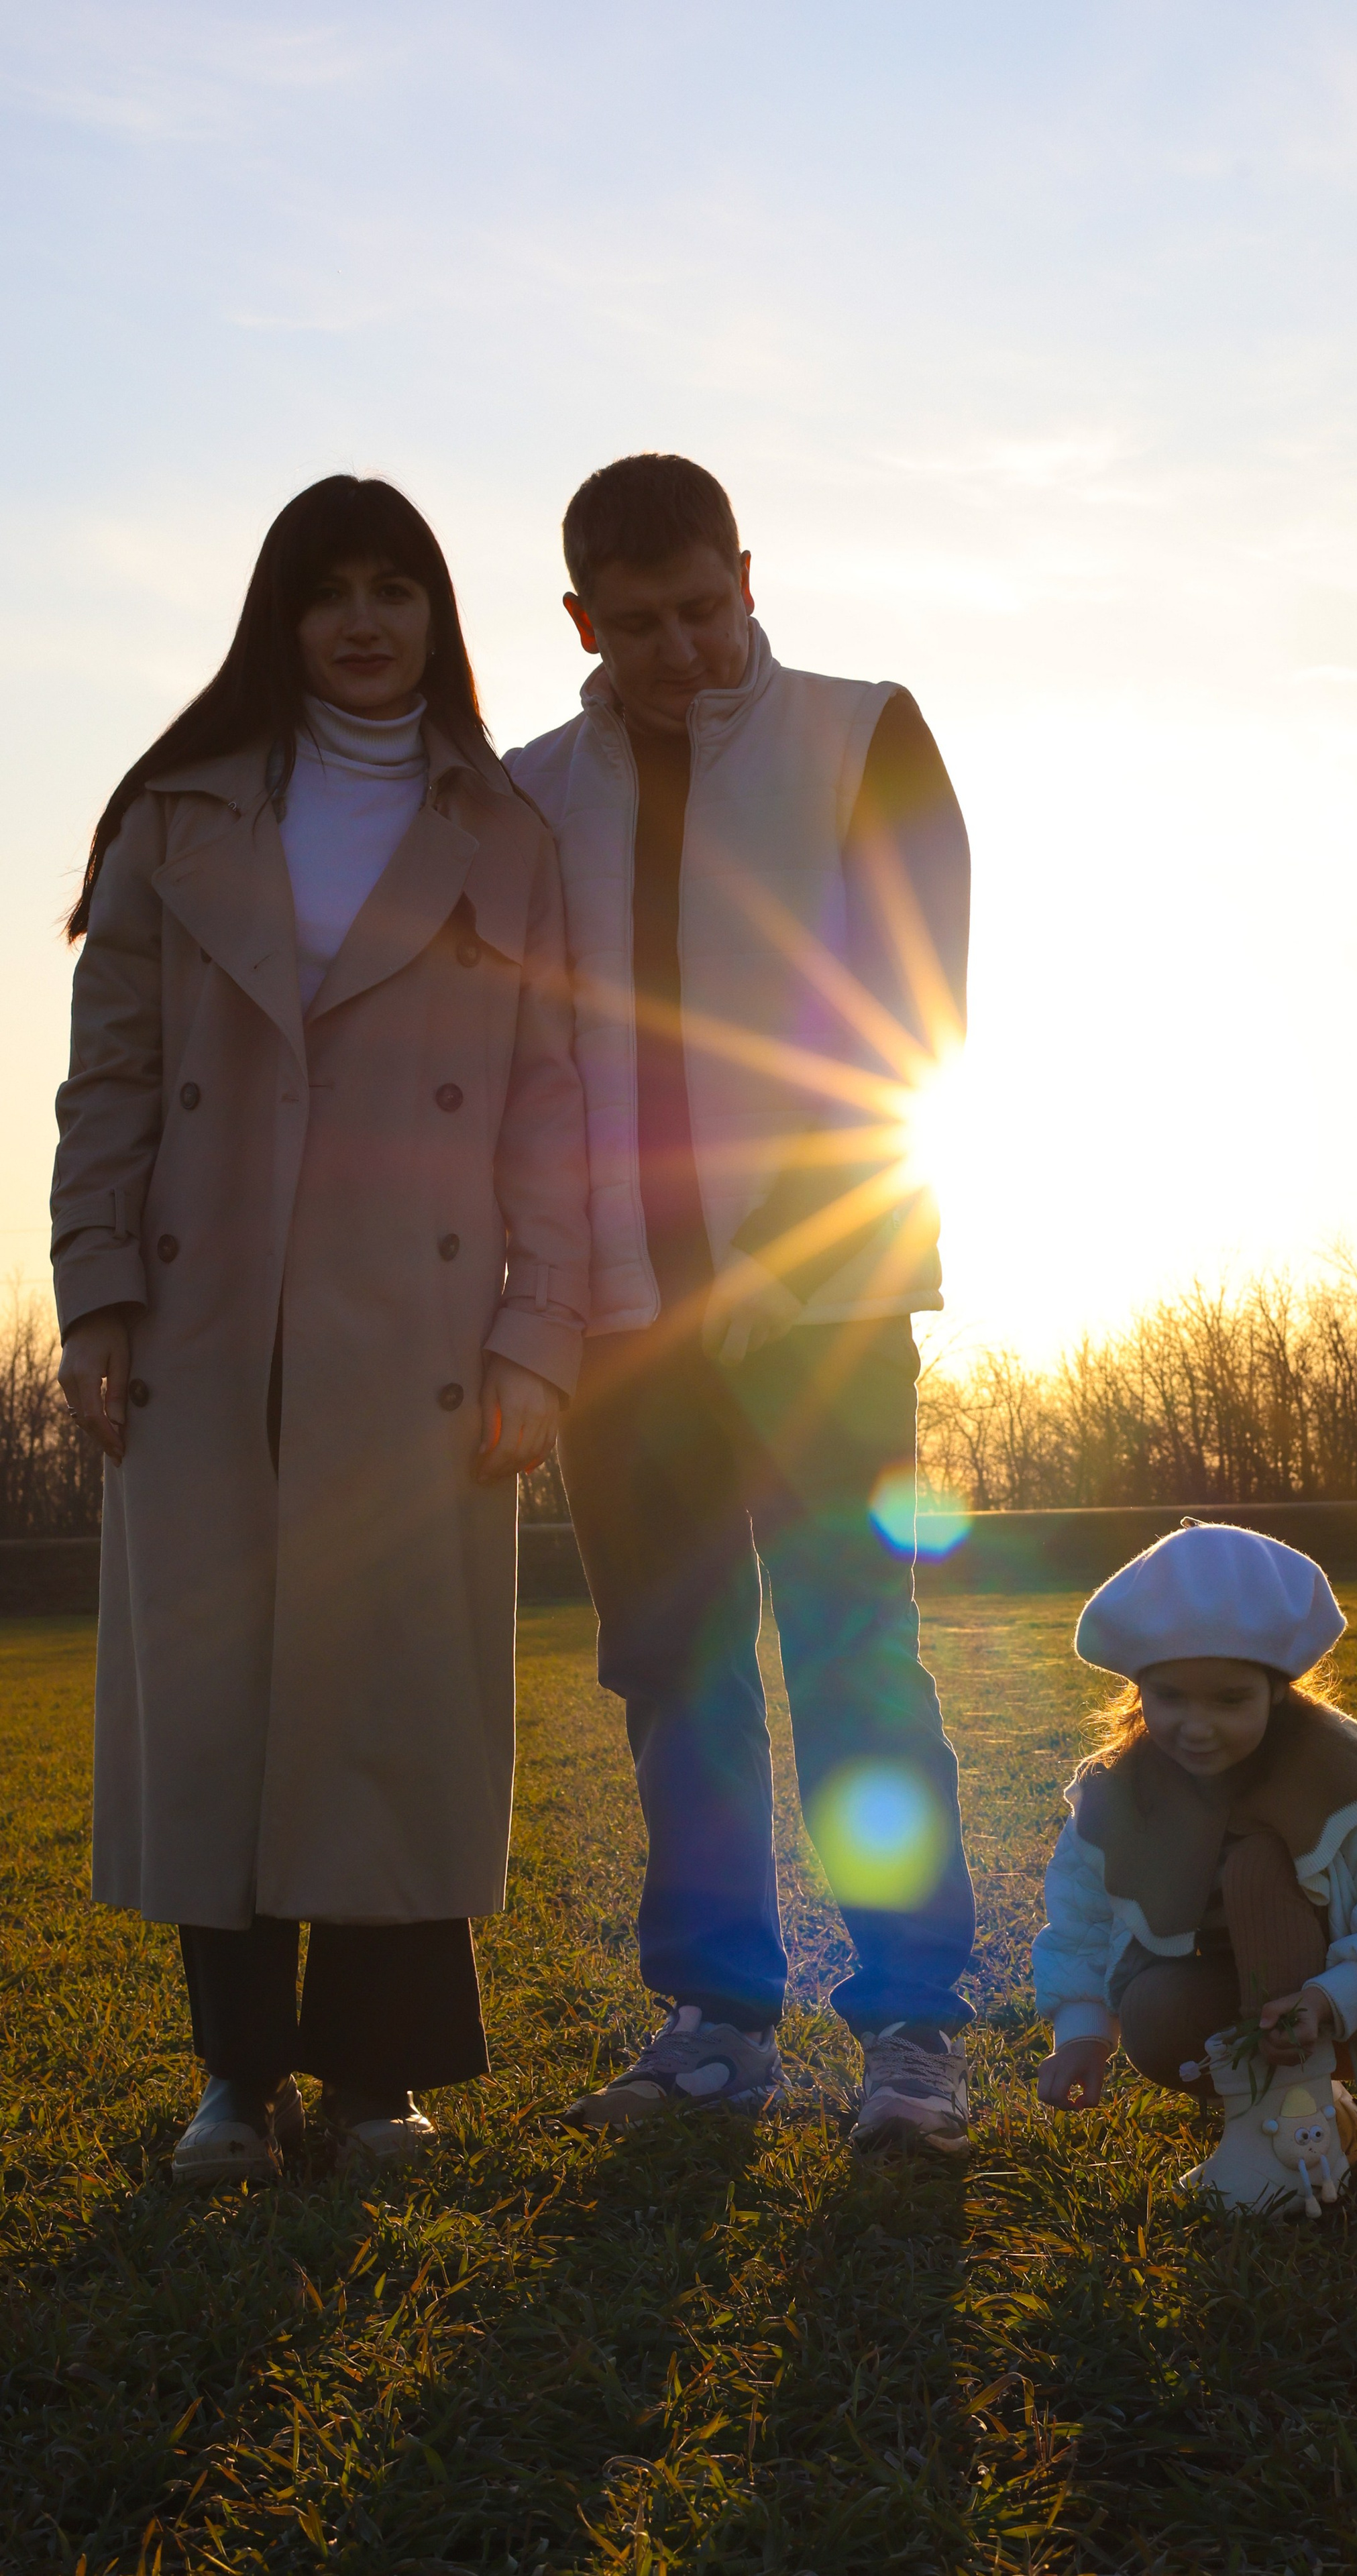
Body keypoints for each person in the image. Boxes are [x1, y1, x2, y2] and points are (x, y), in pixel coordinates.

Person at [52, 475, 589, 2186]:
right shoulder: (173, 814)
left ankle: (377, 2083)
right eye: (326, 592)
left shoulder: (506, 834)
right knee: (219, 1703)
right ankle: (235, 2075)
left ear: (438, 617)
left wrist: (539, 1335)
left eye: (396, 589)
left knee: (391, 1702)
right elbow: (110, 1081)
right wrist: (96, 1296)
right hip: (207, 1317)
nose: (364, 623)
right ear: (276, 619)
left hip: (421, 1327)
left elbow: (555, 1110)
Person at [506, 453, 977, 2152]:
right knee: (675, 1673)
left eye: (705, 606)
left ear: (746, 573)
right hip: (618, 1322)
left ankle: (913, 2029)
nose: (683, 646)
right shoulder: (523, 793)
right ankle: (711, 2025)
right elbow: (511, 1069)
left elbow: (917, 1022)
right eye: (636, 623)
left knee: (858, 1658)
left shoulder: (865, 733)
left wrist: (798, 1257)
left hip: (829, 1307)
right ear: (578, 620)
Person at [1033, 1522, 1357, 2207]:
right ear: (1139, 1693)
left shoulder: (1347, 1779)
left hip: (1349, 2004)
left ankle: (1290, 2135)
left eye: (1229, 1699)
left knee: (1258, 1863)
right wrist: (1081, 2032)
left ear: (1277, 1692)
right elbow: (1080, 1920)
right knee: (1154, 2010)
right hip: (1235, 2000)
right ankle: (1311, 2118)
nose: (1196, 1726)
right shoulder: (1121, 1792)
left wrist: (1331, 1996)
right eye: (1170, 1696)